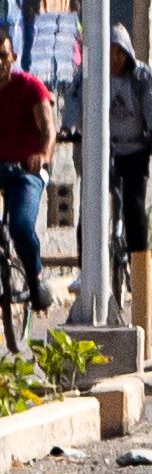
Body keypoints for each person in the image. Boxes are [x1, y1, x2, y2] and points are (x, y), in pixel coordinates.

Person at [0, 31, 55, 311]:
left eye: (3, 56)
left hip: (26, 171)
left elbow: (48, 128)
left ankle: (34, 279)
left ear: (13, 58)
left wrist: (41, 156)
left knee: (21, 226)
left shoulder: (30, 87)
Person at [108, 26, 152, 280]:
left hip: (135, 149)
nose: (114, 60)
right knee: (89, 209)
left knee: (134, 208)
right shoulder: (93, 76)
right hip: (106, 151)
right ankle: (87, 269)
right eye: (110, 53)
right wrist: (70, 128)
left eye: (119, 53)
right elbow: (77, 101)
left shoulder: (141, 77)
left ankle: (140, 275)